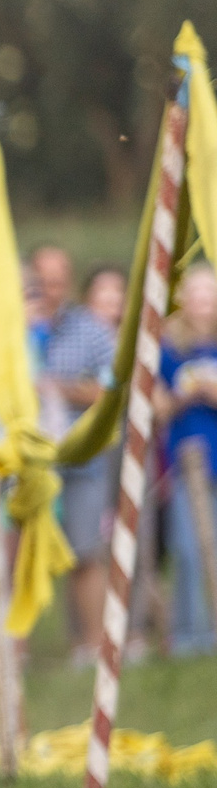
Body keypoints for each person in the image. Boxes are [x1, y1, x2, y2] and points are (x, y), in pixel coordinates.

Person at [32, 244, 117, 662]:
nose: (50, 289)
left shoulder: (90, 330)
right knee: (22, 558)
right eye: (43, 281)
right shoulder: (13, 327)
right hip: (29, 464)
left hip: (81, 459)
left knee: (86, 552)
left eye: (58, 280)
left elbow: (108, 390)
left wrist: (60, 388)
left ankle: (92, 646)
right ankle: (17, 652)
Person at [156, 264, 217, 657]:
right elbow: (159, 408)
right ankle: (190, 636)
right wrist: (186, 396)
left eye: (209, 294)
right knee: (188, 548)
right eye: (195, 293)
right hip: (186, 460)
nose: (202, 302)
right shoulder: (168, 350)